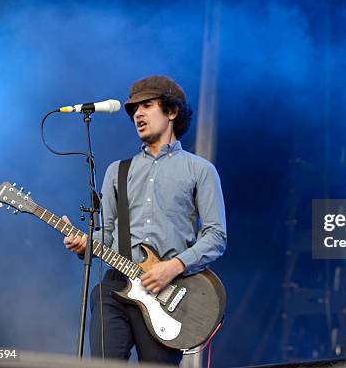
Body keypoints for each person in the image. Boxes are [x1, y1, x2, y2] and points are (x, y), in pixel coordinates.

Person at [63, 75, 227, 365]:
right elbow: (108, 236)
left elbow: (216, 236)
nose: (137, 113)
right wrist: (85, 243)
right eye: (133, 109)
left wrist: (172, 267)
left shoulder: (200, 170)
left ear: (172, 112)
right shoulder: (117, 171)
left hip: (168, 293)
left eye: (147, 105)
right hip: (118, 286)